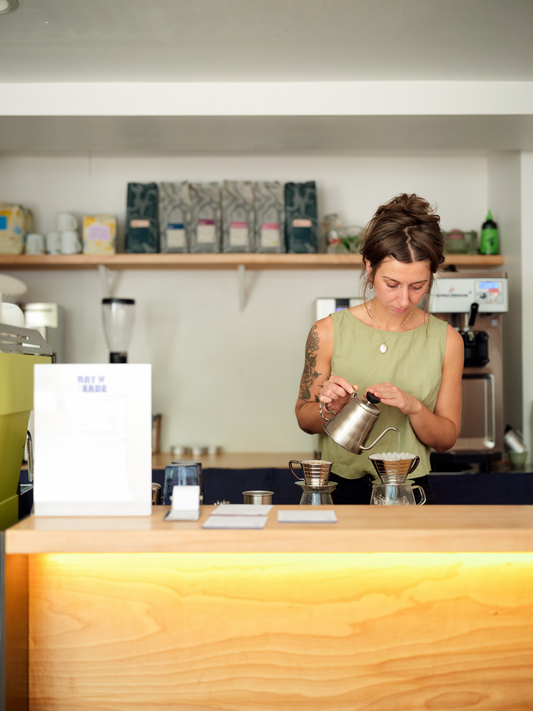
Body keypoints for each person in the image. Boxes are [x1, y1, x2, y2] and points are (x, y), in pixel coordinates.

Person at [295, 193, 464, 504]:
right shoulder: (327, 331)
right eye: (392, 284)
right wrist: (329, 408)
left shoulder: (448, 340)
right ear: (369, 268)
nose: (404, 300)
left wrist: (414, 407)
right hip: (336, 487)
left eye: (418, 287)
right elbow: (304, 419)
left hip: (408, 491)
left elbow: (446, 438)